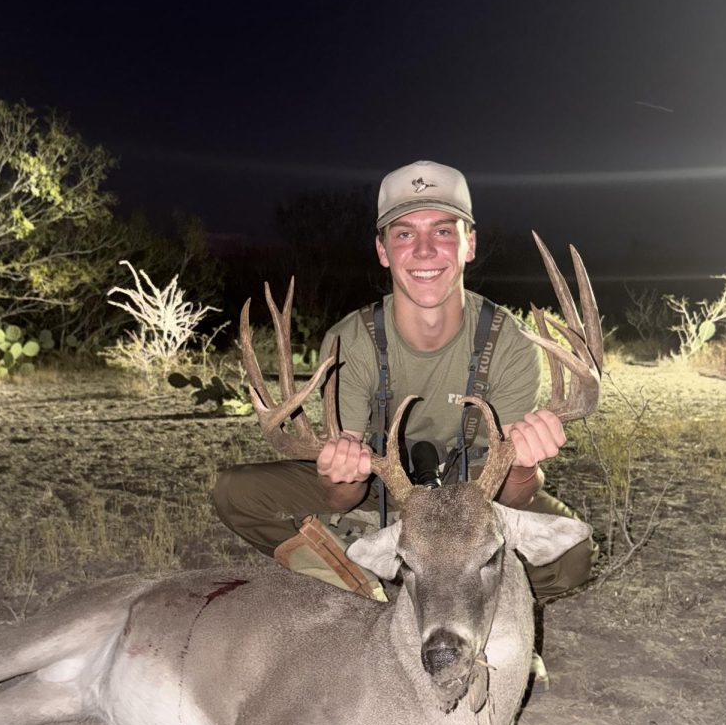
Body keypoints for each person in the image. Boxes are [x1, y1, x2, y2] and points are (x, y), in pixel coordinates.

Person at [213, 160, 593, 605]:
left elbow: (512, 491)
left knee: (573, 557)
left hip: (469, 501)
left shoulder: (507, 341)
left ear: (469, 244)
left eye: (443, 231)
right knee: (234, 493)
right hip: (379, 492)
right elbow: (340, 495)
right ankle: (360, 586)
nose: (425, 250)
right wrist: (343, 472)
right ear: (383, 250)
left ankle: (470, 601)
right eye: (405, 234)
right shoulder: (349, 341)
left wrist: (525, 465)